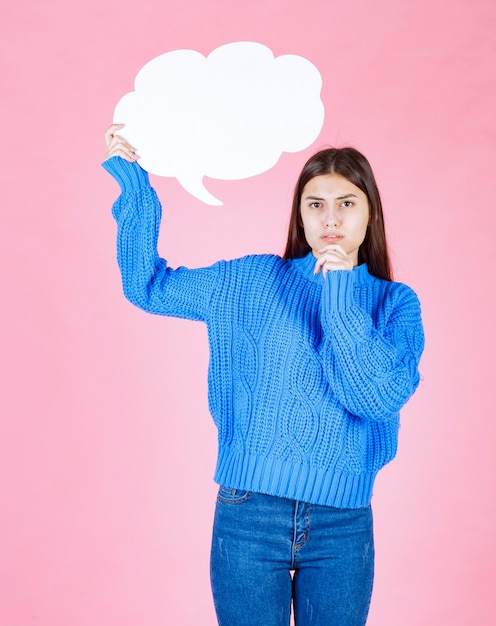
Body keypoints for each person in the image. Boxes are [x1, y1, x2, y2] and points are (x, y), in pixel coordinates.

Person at [103, 123, 424, 626]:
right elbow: (148, 287)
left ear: (371, 213)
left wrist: (339, 291)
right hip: (248, 513)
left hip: (342, 524)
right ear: (299, 213)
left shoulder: (394, 304)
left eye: (347, 202)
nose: (331, 218)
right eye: (315, 204)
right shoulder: (251, 280)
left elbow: (373, 398)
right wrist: (136, 188)